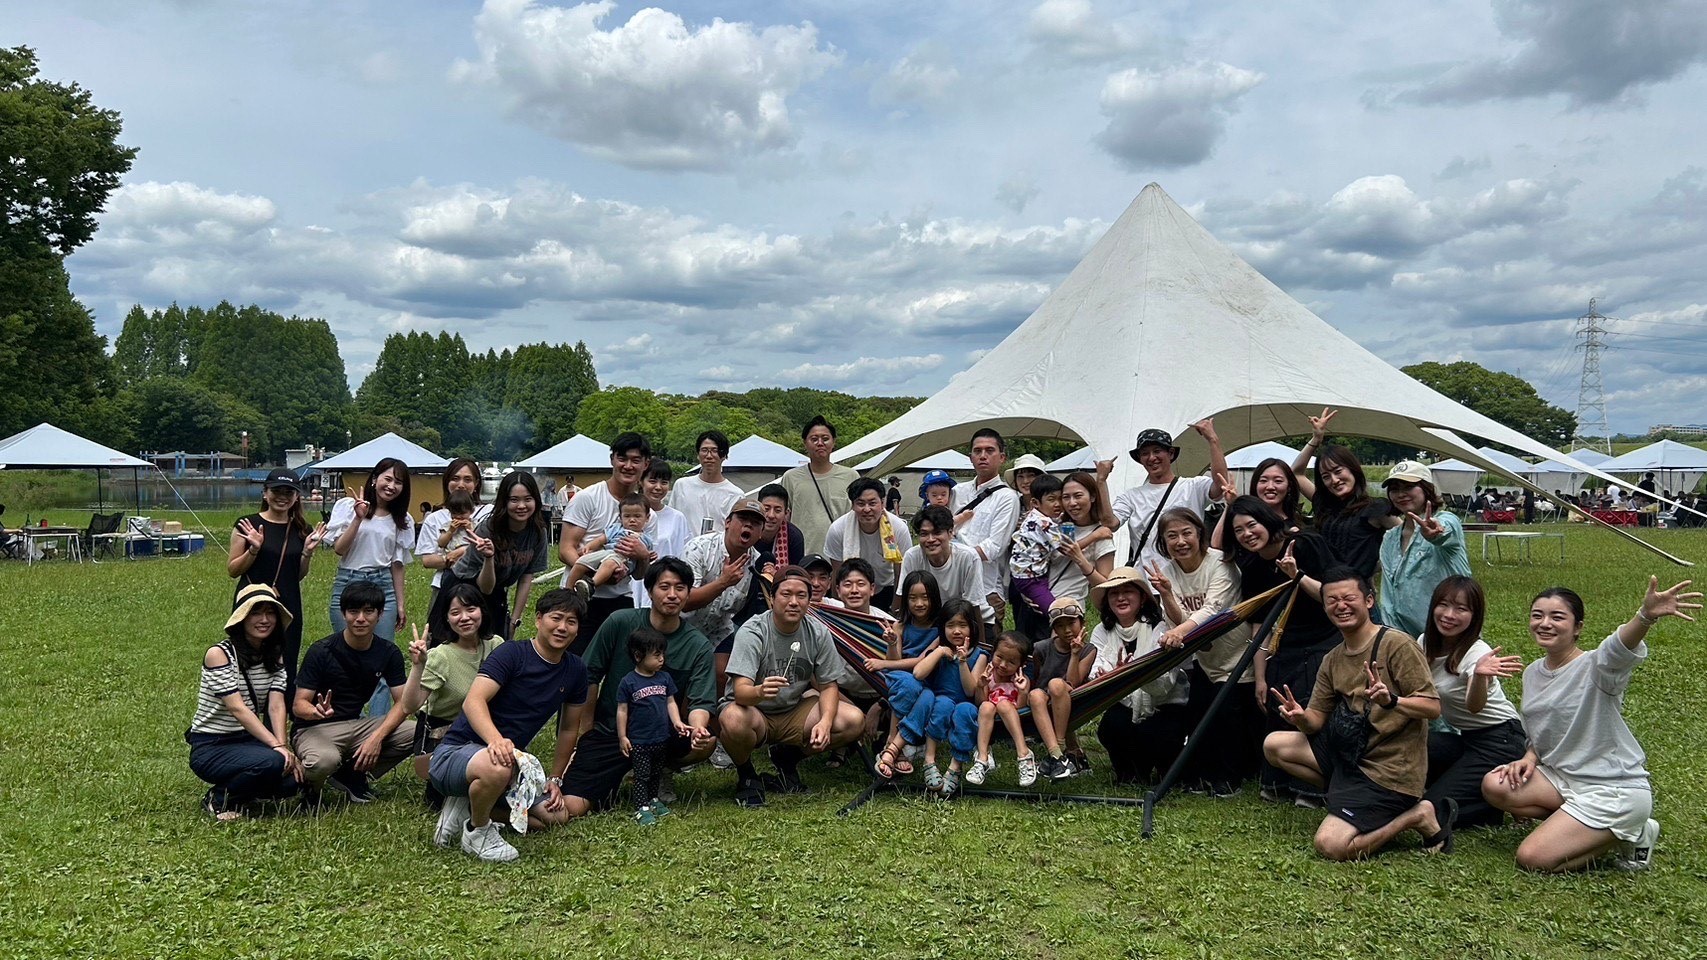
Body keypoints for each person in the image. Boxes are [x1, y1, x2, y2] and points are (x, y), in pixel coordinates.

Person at [1484, 578, 1699, 872]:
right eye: (1538, 615)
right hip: (1564, 779)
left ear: (1578, 628)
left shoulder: (1598, 667)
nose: (1545, 623)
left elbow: (1619, 646)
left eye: (1557, 617)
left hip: (1613, 789)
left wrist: (1645, 616)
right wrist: (1529, 757)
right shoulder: (1533, 672)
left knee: (1532, 858)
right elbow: (1543, 727)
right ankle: (1580, 825)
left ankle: (1633, 833)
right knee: (1495, 786)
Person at [1263, 567, 1449, 860]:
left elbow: (1432, 707)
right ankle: (1347, 796)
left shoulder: (1397, 645)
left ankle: (1416, 815)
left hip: (1391, 771)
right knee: (1275, 745)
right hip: (1351, 757)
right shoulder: (1333, 658)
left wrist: (1393, 701)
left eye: (1349, 598)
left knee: (1331, 845)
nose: (1341, 606)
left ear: (1369, 601)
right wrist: (1299, 717)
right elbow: (1315, 723)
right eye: (1332, 600)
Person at [427, 589, 591, 862]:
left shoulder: (575, 670)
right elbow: (473, 701)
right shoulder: (513, 653)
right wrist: (495, 740)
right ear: (538, 619)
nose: (562, 627)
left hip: (510, 765)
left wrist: (555, 779)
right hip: (457, 752)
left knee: (554, 817)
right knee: (497, 765)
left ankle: (469, 806)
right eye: (556, 618)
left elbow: (567, 729)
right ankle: (476, 832)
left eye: (571, 622)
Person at [559, 558, 719, 817]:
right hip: (611, 731)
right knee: (573, 805)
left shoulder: (697, 645)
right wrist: (585, 731)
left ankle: (659, 770)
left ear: (689, 593)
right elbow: (588, 676)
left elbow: (701, 701)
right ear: (649, 591)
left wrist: (698, 727)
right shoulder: (620, 622)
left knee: (708, 740)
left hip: (660, 735)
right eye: (664, 586)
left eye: (680, 588)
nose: (672, 595)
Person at [1222, 496, 1341, 805]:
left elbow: (1335, 598)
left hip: (1323, 642)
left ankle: (1316, 788)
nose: (1247, 534)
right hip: (1284, 646)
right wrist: (1259, 677)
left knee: (1309, 708)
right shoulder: (1251, 565)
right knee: (1277, 706)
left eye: (1252, 525)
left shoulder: (1304, 544)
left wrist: (1296, 575)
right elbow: (1259, 627)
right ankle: (1279, 784)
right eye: (1239, 531)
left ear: (1267, 520)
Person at [717, 566, 864, 806]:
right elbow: (740, 692)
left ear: (809, 600)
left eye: (801, 595)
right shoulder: (753, 631)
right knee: (732, 720)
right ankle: (746, 774)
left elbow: (828, 686)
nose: (793, 602)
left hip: (794, 709)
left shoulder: (817, 632)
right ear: (772, 598)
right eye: (786, 594)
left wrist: (825, 723)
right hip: (754, 711)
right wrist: (759, 691)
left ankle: (788, 758)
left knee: (852, 720)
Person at [1147, 508, 1252, 796]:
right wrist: (1167, 594)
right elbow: (1177, 622)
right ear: (1163, 542)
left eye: (1186, 533)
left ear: (1199, 534)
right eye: (1172, 536)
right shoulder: (1167, 572)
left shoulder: (1220, 563)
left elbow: (1213, 610)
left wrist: (1179, 633)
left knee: (1229, 717)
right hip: (1206, 659)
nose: (1180, 541)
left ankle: (1230, 779)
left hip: (1238, 654)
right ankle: (1202, 775)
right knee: (1198, 717)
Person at [292, 581, 417, 804]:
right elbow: (298, 705)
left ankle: (351, 775)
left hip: (356, 725)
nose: (360, 618)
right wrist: (315, 712)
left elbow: (404, 704)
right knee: (324, 761)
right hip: (315, 728)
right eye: (353, 611)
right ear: (343, 614)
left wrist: (376, 739)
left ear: (379, 615)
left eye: (368, 611)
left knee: (416, 732)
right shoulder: (322, 651)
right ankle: (309, 788)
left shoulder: (388, 652)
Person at [1417, 576, 1526, 831]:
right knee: (1407, 749)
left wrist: (1479, 676)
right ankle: (1485, 800)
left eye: (1461, 609)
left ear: (1474, 616)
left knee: (1431, 810)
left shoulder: (1477, 654)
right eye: (1444, 604)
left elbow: (1474, 705)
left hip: (1501, 740)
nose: (1449, 615)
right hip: (1466, 740)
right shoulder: (1424, 643)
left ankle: (1492, 807)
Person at [188, 584, 302, 821]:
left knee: (293, 782)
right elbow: (237, 708)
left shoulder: (275, 654)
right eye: (256, 613)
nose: (264, 620)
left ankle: (245, 790)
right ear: (241, 618)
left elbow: (276, 704)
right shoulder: (219, 655)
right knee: (270, 762)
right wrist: (277, 750)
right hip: (212, 745)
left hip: (247, 741)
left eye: (270, 613)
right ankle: (218, 799)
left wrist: (283, 749)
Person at [325, 457, 414, 715]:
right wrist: (358, 518)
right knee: (344, 654)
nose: (392, 486)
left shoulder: (402, 519)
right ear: (375, 479)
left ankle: (377, 726)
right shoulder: (347, 506)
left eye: (398, 482)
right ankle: (349, 716)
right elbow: (339, 549)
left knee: (382, 659)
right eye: (388, 478)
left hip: (382, 583)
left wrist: (399, 603)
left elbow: (397, 564)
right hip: (348, 580)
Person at [1088, 567, 1190, 786]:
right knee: (1110, 727)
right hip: (1124, 702)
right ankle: (1129, 774)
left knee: (1160, 733)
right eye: (1114, 594)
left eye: (1128, 592)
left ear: (1142, 598)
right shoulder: (1101, 631)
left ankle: (1166, 769)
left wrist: (1128, 674)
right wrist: (1111, 675)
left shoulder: (1161, 628)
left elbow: (1164, 684)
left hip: (1164, 703)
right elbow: (1095, 671)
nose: (1121, 598)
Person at [228, 468, 326, 689]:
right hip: (252, 602)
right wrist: (253, 550)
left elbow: (297, 575)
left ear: (296, 497)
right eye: (276, 491)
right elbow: (233, 570)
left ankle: (278, 717)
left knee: (286, 663)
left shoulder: (302, 529)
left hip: (288, 603)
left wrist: (308, 552)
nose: (282, 497)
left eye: (289, 492)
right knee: (248, 660)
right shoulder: (247, 524)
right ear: (265, 493)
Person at [401, 583, 504, 791]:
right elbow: (410, 706)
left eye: (470, 609)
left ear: (482, 611)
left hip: (482, 727)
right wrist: (418, 666)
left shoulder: (496, 645)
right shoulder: (441, 656)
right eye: (455, 612)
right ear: (447, 619)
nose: (464, 617)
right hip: (443, 733)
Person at [432, 471, 548, 646]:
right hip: (463, 587)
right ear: (504, 501)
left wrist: (514, 620)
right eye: (514, 500)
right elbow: (485, 588)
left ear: (536, 501)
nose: (521, 505)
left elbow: (526, 578)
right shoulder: (489, 529)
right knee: (452, 648)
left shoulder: (538, 532)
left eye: (528, 499)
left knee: (495, 648)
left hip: (496, 591)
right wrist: (488, 557)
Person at [559, 432, 653, 645]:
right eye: (622, 458)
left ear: (646, 464)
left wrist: (642, 557)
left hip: (621, 598)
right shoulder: (587, 498)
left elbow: (640, 574)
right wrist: (594, 572)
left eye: (636, 460)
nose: (628, 466)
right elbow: (566, 549)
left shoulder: (646, 514)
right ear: (612, 459)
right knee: (576, 661)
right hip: (581, 596)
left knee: (621, 662)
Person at [1104, 420, 1230, 571]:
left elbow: (1221, 485)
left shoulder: (1193, 486)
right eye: (1145, 453)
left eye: (1157, 451)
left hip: (1189, 578)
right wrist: (1100, 481)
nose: (1151, 458)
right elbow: (1110, 523)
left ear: (1170, 454)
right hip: (1147, 582)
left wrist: (1213, 439)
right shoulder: (1131, 497)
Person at [1291, 409, 1394, 577]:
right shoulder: (1324, 504)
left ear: (1353, 469)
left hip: (1355, 594)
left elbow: (1407, 535)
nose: (1334, 480)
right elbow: (1296, 473)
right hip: (1323, 590)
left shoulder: (1375, 508)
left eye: (1338, 471)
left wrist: (1377, 566)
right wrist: (1316, 439)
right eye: (1326, 476)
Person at [682, 499, 766, 697]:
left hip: (720, 630)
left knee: (724, 673)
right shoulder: (699, 547)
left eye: (755, 523)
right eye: (743, 519)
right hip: (681, 626)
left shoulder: (758, 563)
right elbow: (684, 601)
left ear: (761, 533)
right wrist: (723, 582)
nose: (748, 525)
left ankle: (718, 722)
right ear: (728, 522)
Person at [1378, 461, 1470, 636]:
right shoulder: (1390, 538)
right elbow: (1388, 597)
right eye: (1395, 489)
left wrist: (1435, 534)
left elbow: (1444, 531)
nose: (1401, 494)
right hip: (1408, 639)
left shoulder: (1447, 520)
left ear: (1427, 489)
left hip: (1454, 634)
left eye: (1409, 487)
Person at [909, 599, 987, 798]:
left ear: (972, 628)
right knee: (942, 705)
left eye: (962, 625)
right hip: (940, 700)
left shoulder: (980, 655)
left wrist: (962, 662)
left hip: (965, 703)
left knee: (965, 712)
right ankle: (929, 759)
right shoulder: (939, 651)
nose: (957, 631)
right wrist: (939, 652)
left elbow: (970, 690)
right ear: (942, 628)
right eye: (950, 625)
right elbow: (918, 673)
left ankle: (955, 766)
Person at [617, 627, 691, 824]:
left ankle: (653, 799)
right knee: (641, 775)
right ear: (638, 656)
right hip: (640, 740)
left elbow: (671, 702)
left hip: (661, 737)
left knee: (656, 771)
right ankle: (641, 806)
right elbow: (622, 710)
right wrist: (622, 736)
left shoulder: (664, 678)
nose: (661, 659)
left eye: (663, 654)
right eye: (657, 655)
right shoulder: (628, 682)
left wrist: (677, 722)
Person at [951, 428, 1022, 634]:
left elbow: (994, 548)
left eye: (989, 450)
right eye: (977, 451)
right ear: (970, 457)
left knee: (986, 649)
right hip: (952, 585)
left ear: (1002, 457)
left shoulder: (1008, 497)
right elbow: (940, 528)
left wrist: (952, 554)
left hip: (987, 588)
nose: (983, 456)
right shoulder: (956, 492)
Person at [964, 632, 1043, 786]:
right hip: (991, 718)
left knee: (1003, 704)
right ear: (993, 653)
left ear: (1021, 665)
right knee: (987, 705)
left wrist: (1023, 691)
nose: (1003, 665)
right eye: (999, 657)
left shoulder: (1020, 680)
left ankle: (1024, 753)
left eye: (1011, 662)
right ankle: (982, 758)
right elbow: (980, 702)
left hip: (1013, 717)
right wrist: (981, 686)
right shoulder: (988, 675)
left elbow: (1021, 707)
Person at [896, 505, 994, 628]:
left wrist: (979, 645)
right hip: (930, 621)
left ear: (950, 533)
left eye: (937, 533)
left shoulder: (968, 557)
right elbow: (903, 598)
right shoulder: (912, 556)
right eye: (924, 534)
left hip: (970, 620)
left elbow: (973, 605)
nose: (931, 539)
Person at [823, 477, 912, 610]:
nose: (867, 509)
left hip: (887, 588)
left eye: (872, 503)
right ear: (852, 505)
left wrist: (896, 609)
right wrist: (840, 610)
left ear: (882, 503)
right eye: (861, 503)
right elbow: (837, 572)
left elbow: (901, 573)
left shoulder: (898, 528)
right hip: (852, 591)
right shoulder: (838, 529)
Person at [417, 458, 491, 615]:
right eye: (455, 478)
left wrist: (461, 552)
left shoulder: (488, 512)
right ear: (446, 481)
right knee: (440, 635)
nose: (461, 484)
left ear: (477, 483)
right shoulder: (435, 518)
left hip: (480, 584)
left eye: (468, 479)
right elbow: (428, 561)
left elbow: (495, 546)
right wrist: (448, 558)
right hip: (445, 584)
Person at [779, 415, 860, 554]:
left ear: (834, 442)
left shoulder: (851, 476)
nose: (820, 443)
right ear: (805, 443)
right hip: (802, 554)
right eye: (814, 439)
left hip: (841, 554)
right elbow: (784, 517)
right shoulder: (791, 478)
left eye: (825, 438)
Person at [733, 483, 807, 631]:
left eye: (778, 510)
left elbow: (796, 576)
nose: (771, 515)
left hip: (777, 600)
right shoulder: (747, 531)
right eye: (766, 509)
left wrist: (777, 576)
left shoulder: (794, 537)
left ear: (787, 513)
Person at [1036, 597, 1096, 776]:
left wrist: (1075, 654)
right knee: (1039, 693)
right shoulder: (1041, 648)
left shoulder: (1089, 650)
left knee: (1057, 684)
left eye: (1071, 623)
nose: (1067, 630)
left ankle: (1059, 748)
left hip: (1074, 697)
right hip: (1044, 700)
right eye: (1060, 626)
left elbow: (1073, 682)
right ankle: (1068, 754)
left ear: (1082, 622)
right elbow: (1038, 677)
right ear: (1054, 629)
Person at [1006, 472, 1071, 620]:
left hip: (1027, 574)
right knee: (1056, 613)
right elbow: (1066, 548)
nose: (1058, 504)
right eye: (1051, 499)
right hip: (1031, 579)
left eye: (1061, 498)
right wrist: (1097, 535)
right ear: (1035, 503)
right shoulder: (1043, 522)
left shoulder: (1035, 515)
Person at [567, 493, 654, 599]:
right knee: (580, 562)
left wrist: (646, 556)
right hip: (605, 552)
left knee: (610, 563)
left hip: (622, 559)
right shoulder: (617, 528)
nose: (632, 520)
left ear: (647, 518)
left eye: (637, 516)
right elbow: (601, 539)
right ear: (620, 517)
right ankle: (568, 591)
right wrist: (589, 547)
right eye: (627, 516)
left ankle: (591, 585)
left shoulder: (646, 538)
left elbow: (645, 558)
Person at [635, 457, 694, 608]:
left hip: (665, 590)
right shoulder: (628, 513)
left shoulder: (677, 518)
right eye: (652, 481)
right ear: (641, 481)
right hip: (633, 586)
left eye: (664, 482)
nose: (658, 487)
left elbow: (684, 556)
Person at [1209, 457, 1303, 551]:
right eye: (1263, 481)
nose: (1270, 486)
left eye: (1278, 481)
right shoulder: (1243, 521)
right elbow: (1217, 545)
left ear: (1289, 486)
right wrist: (1232, 504)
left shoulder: (1297, 527)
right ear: (1255, 485)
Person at [668, 430, 744, 536]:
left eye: (714, 450)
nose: (709, 456)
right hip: (681, 551)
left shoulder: (735, 494)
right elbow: (671, 520)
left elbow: (734, 533)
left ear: (724, 455)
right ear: (698, 455)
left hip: (716, 551)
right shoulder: (682, 485)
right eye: (704, 450)